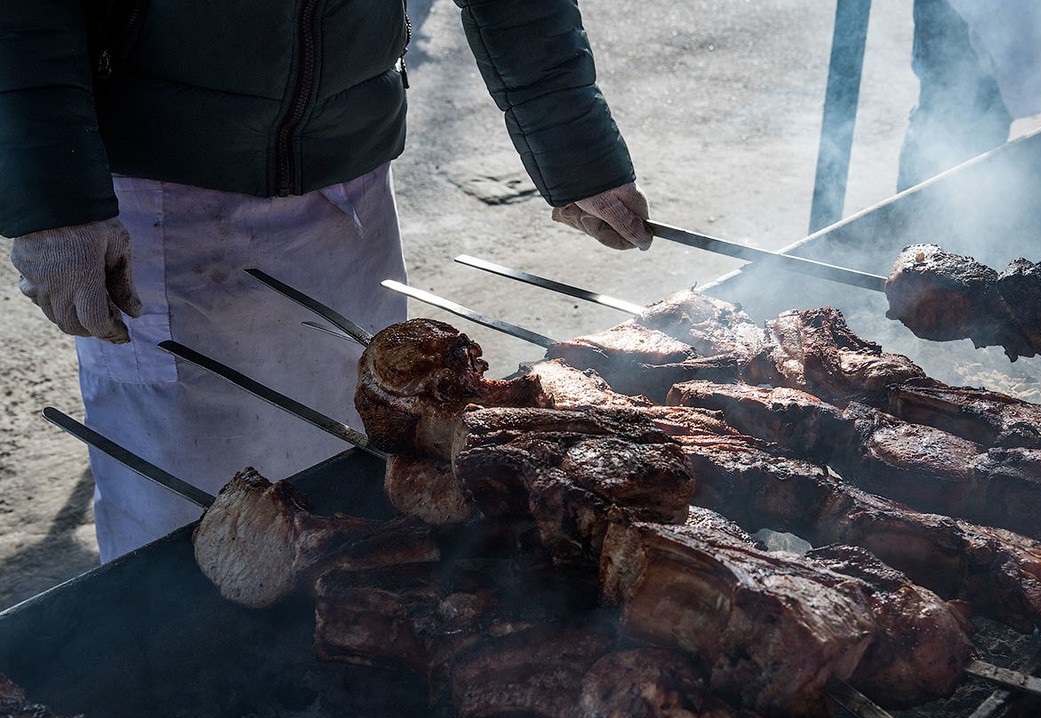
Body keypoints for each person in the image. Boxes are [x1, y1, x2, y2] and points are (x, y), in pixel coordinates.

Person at [0, 0, 652, 562]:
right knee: (193, 537)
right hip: (162, 188)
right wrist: (53, 206)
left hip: (350, 168)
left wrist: (575, 148)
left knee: (368, 484)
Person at [898, 0, 1041, 191]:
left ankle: (970, 213)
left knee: (993, 113)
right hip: (957, 10)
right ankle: (906, 224)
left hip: (1019, 14)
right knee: (941, 115)